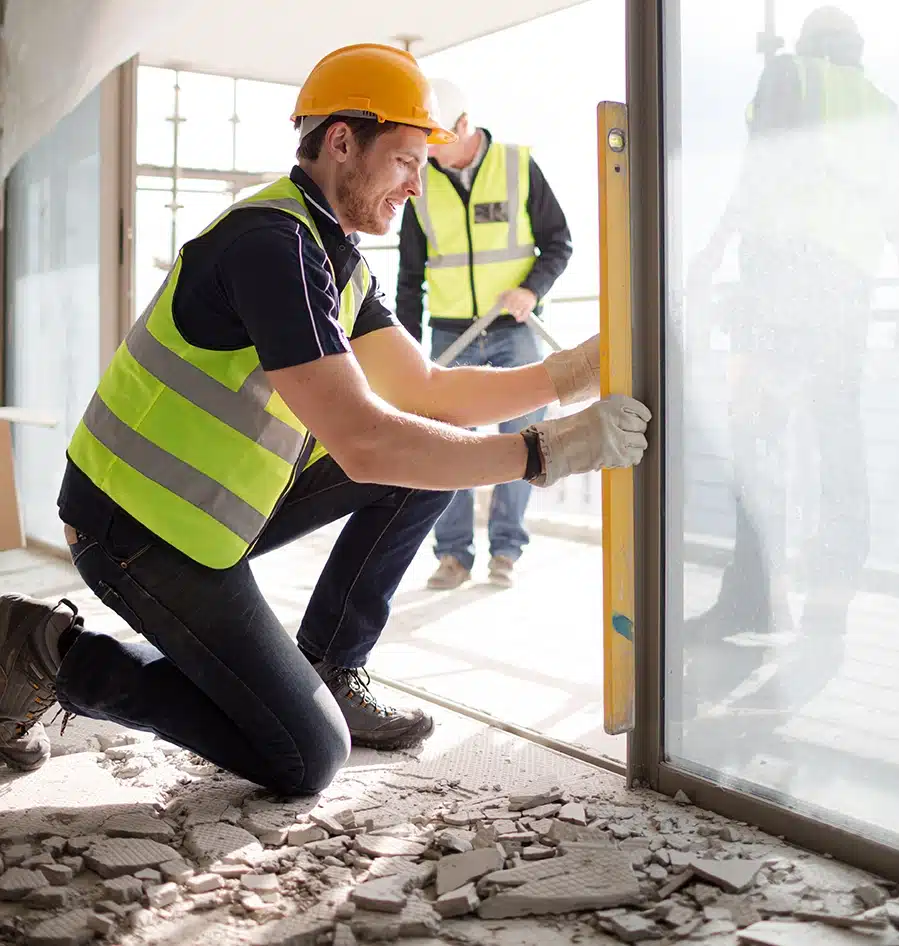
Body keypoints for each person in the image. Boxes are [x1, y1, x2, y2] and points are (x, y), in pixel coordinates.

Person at [0, 44, 650, 792]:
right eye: (407, 161)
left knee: (428, 459)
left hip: (208, 511)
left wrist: (571, 375)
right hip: (134, 530)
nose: (416, 184)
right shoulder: (269, 245)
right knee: (305, 756)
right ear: (342, 141)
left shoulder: (334, 254)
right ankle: (51, 653)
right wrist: (543, 453)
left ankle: (330, 666)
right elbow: (367, 441)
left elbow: (425, 390)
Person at [684, 6, 899, 719]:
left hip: (783, 279)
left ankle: (751, 598)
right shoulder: (880, 106)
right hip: (845, 287)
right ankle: (828, 611)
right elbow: (895, 210)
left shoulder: (787, 75)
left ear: (806, 45)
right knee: (837, 442)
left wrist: (713, 250)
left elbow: (763, 170)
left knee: (756, 436)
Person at [396, 78, 573, 590]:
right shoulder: (420, 184)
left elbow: (559, 243)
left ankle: (507, 551)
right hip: (450, 333)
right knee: (445, 444)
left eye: (436, 141)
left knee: (524, 439)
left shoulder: (517, 167)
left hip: (514, 328)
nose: (427, 154)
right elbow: (411, 277)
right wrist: (405, 350)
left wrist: (531, 289)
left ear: (464, 126)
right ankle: (452, 556)